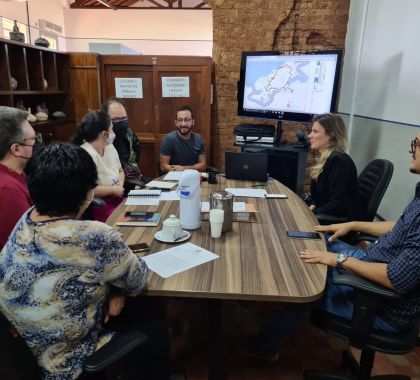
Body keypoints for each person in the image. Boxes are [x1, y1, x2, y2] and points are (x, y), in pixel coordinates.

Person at [238, 133, 420, 361]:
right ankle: (252, 294)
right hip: (370, 259)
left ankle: (265, 348)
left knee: (303, 283)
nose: (411, 149)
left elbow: (396, 279)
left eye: (416, 144)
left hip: (381, 305)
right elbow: (401, 226)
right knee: (307, 241)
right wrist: (351, 224)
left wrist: (338, 260)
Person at [0, 143, 171, 380]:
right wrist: (116, 282)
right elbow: (138, 281)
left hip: (24, 350)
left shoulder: (25, 220)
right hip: (67, 365)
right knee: (154, 325)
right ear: (89, 193)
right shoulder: (95, 236)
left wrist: (112, 285)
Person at [306, 113, 362, 220]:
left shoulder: (339, 161)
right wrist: (312, 207)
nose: (309, 135)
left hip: (337, 223)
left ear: (330, 134)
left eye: (315, 131)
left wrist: (309, 213)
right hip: (327, 215)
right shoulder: (326, 159)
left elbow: (338, 205)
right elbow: (319, 198)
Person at [73, 110, 125, 222]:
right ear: (104, 134)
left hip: (118, 196)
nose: (113, 132)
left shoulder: (109, 146)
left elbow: (120, 170)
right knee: (124, 221)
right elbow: (87, 190)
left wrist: (119, 185)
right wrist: (112, 189)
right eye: (111, 129)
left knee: (138, 212)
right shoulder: (85, 154)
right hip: (99, 203)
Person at [0, 106, 36, 247]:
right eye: (33, 139)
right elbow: (26, 244)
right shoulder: (8, 189)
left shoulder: (16, 173)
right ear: (16, 149)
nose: (37, 144)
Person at [100, 97, 146, 186]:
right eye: (115, 120)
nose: (121, 123)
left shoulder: (129, 134)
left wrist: (134, 169)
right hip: (110, 185)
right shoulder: (99, 139)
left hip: (131, 182)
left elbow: (135, 159)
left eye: (124, 119)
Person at [160, 105, 206, 173]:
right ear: (176, 122)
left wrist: (184, 168)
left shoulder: (199, 138)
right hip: (174, 177)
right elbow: (163, 167)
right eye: (180, 120)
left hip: (193, 176)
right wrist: (179, 170)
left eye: (187, 120)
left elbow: (202, 166)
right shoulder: (168, 139)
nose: (183, 124)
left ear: (193, 122)